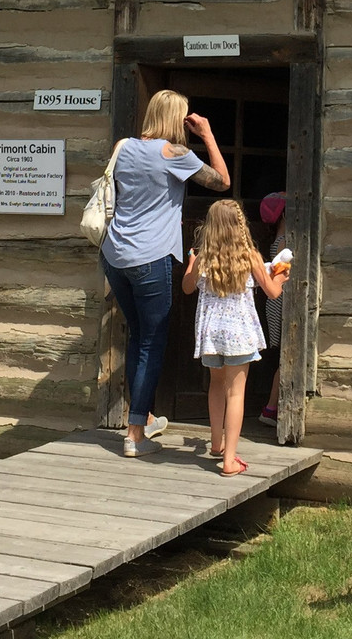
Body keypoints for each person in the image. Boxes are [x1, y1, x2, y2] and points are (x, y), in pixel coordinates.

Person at [101, 89, 230, 458]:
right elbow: (223, 181)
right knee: (151, 343)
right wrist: (206, 134)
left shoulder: (123, 146)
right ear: (178, 118)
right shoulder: (177, 154)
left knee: (137, 336)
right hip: (151, 257)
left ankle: (146, 416)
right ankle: (135, 433)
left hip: (115, 254)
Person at [181, 200, 289, 477]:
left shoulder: (205, 256)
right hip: (239, 334)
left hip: (211, 335)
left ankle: (216, 444)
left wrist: (191, 264)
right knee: (235, 392)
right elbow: (273, 292)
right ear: (241, 225)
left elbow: (187, 288)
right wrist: (282, 276)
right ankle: (229, 460)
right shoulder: (250, 255)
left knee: (216, 386)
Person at [258, 192, 286, 427]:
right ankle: (270, 409)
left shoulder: (279, 237)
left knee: (281, 356)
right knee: (285, 357)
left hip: (275, 301)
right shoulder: (286, 239)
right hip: (280, 301)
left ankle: (272, 408)